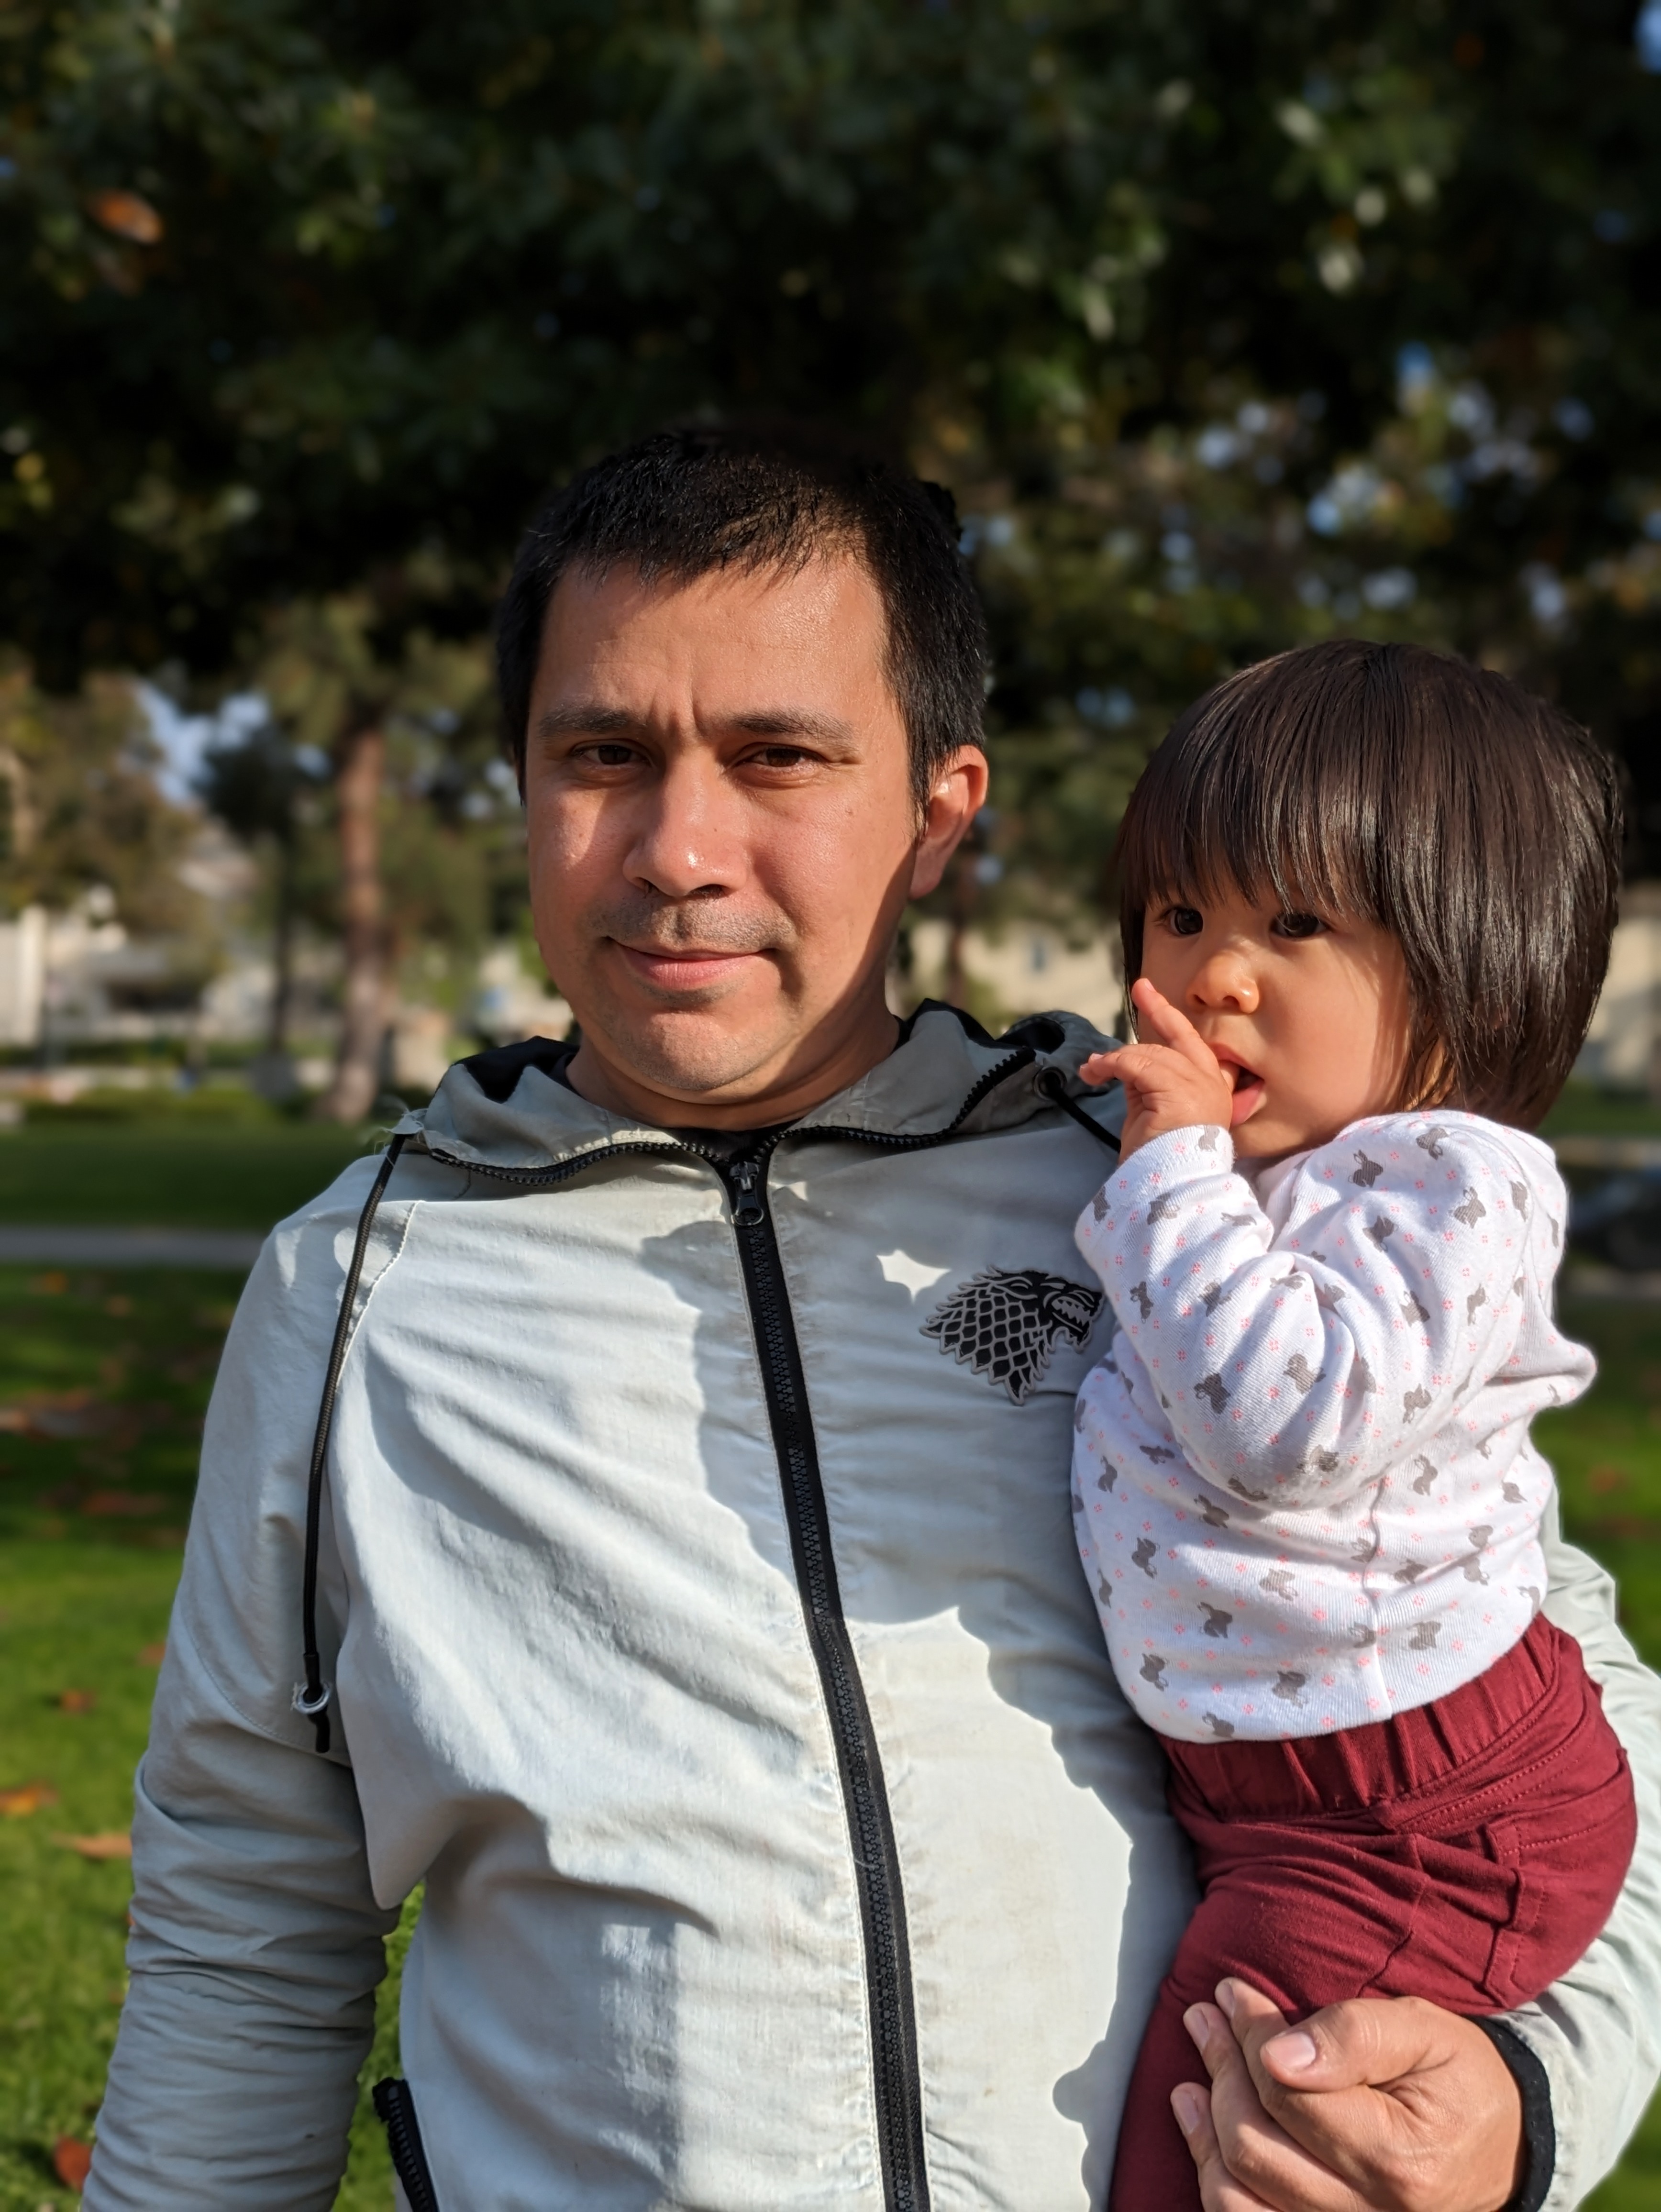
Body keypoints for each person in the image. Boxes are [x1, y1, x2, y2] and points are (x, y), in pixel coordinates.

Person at [85, 427, 1661, 2212]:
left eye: (780, 759)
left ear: (938, 812)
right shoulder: (355, 1286)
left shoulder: (1168, 1191)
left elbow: (1563, 1704)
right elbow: (244, 1921)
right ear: (523, 786)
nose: (681, 850)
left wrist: (1518, 2106)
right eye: (603, 755)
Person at [1068, 641, 1638, 2208]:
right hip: (1281, 1786)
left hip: (1410, 1809)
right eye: (1181, 914)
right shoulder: (1250, 1179)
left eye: (1295, 926)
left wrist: (1172, 1177)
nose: (1214, 975)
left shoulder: (1451, 1181)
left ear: (1475, 970)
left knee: (1214, 2146)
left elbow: (1290, 1423)